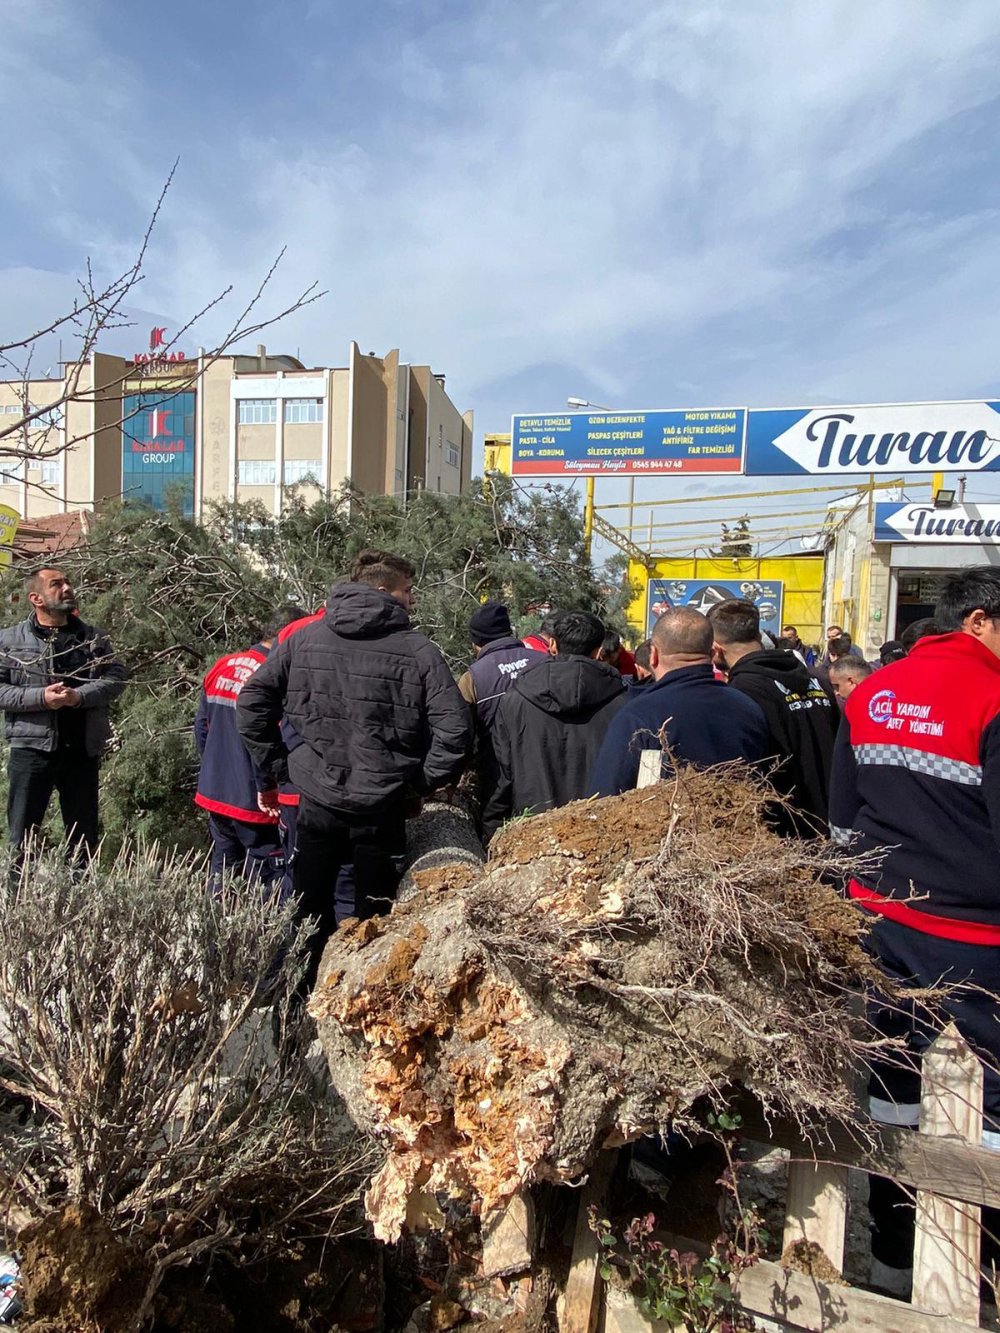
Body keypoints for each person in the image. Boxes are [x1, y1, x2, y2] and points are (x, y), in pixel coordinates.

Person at [828, 565, 1000, 1295]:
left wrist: (855, 897)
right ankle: (976, 1265)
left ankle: (895, 1258)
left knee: (893, 1087)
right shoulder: (992, 696)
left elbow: (842, 817)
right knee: (987, 1106)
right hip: (977, 940)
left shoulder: (870, 693)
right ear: (981, 621)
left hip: (884, 923)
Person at [236, 550, 471, 985]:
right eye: (408, 592)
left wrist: (282, 766)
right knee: (375, 918)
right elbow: (455, 730)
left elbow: (250, 703)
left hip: (316, 801)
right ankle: (363, 1005)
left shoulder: (303, 639)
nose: (413, 601)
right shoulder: (418, 651)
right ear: (384, 592)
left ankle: (299, 1007)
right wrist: (417, 784)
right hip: (382, 809)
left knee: (309, 912)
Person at [0, 567, 128, 858]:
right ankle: (19, 898)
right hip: (31, 751)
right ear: (36, 598)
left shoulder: (93, 638)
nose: (67, 588)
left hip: (81, 751)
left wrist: (78, 697)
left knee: (83, 841)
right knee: (22, 838)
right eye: (56, 584)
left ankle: (79, 899)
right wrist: (41, 698)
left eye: (68, 582)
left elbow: (117, 678)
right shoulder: (8, 641)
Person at [590, 607, 769, 796]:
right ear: (711, 653)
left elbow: (605, 797)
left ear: (653, 655)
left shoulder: (638, 715)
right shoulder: (748, 707)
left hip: (663, 823)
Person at [482, 610, 625, 841]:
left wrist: (491, 831)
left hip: (534, 837)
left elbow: (500, 778)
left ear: (552, 645)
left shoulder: (513, 702)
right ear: (599, 651)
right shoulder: (623, 705)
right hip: (602, 837)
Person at [194, 604, 306, 895]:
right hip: (256, 800)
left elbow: (202, 731)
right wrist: (271, 784)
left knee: (223, 871)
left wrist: (212, 774)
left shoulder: (223, 665)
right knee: (271, 880)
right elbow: (269, 740)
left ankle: (215, 932)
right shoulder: (275, 676)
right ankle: (267, 938)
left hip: (215, 793)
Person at [708, 599, 838, 836]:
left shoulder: (740, 693)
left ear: (716, 648)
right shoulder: (818, 681)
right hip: (831, 825)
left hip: (785, 834)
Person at [457, 602, 547, 814]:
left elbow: (460, 734)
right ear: (510, 631)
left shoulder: (473, 678)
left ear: (475, 643)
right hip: (545, 772)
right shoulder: (546, 662)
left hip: (497, 779)